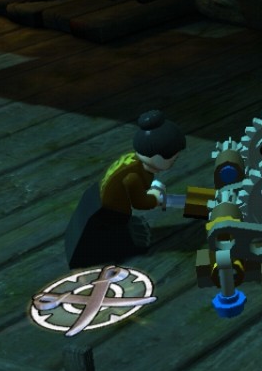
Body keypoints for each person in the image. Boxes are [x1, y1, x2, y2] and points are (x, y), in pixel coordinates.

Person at [64, 111, 186, 268]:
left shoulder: (132, 159)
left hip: (98, 200)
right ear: (157, 156)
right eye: (173, 159)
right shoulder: (133, 175)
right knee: (130, 242)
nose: (174, 162)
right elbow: (140, 203)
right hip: (108, 214)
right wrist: (155, 198)